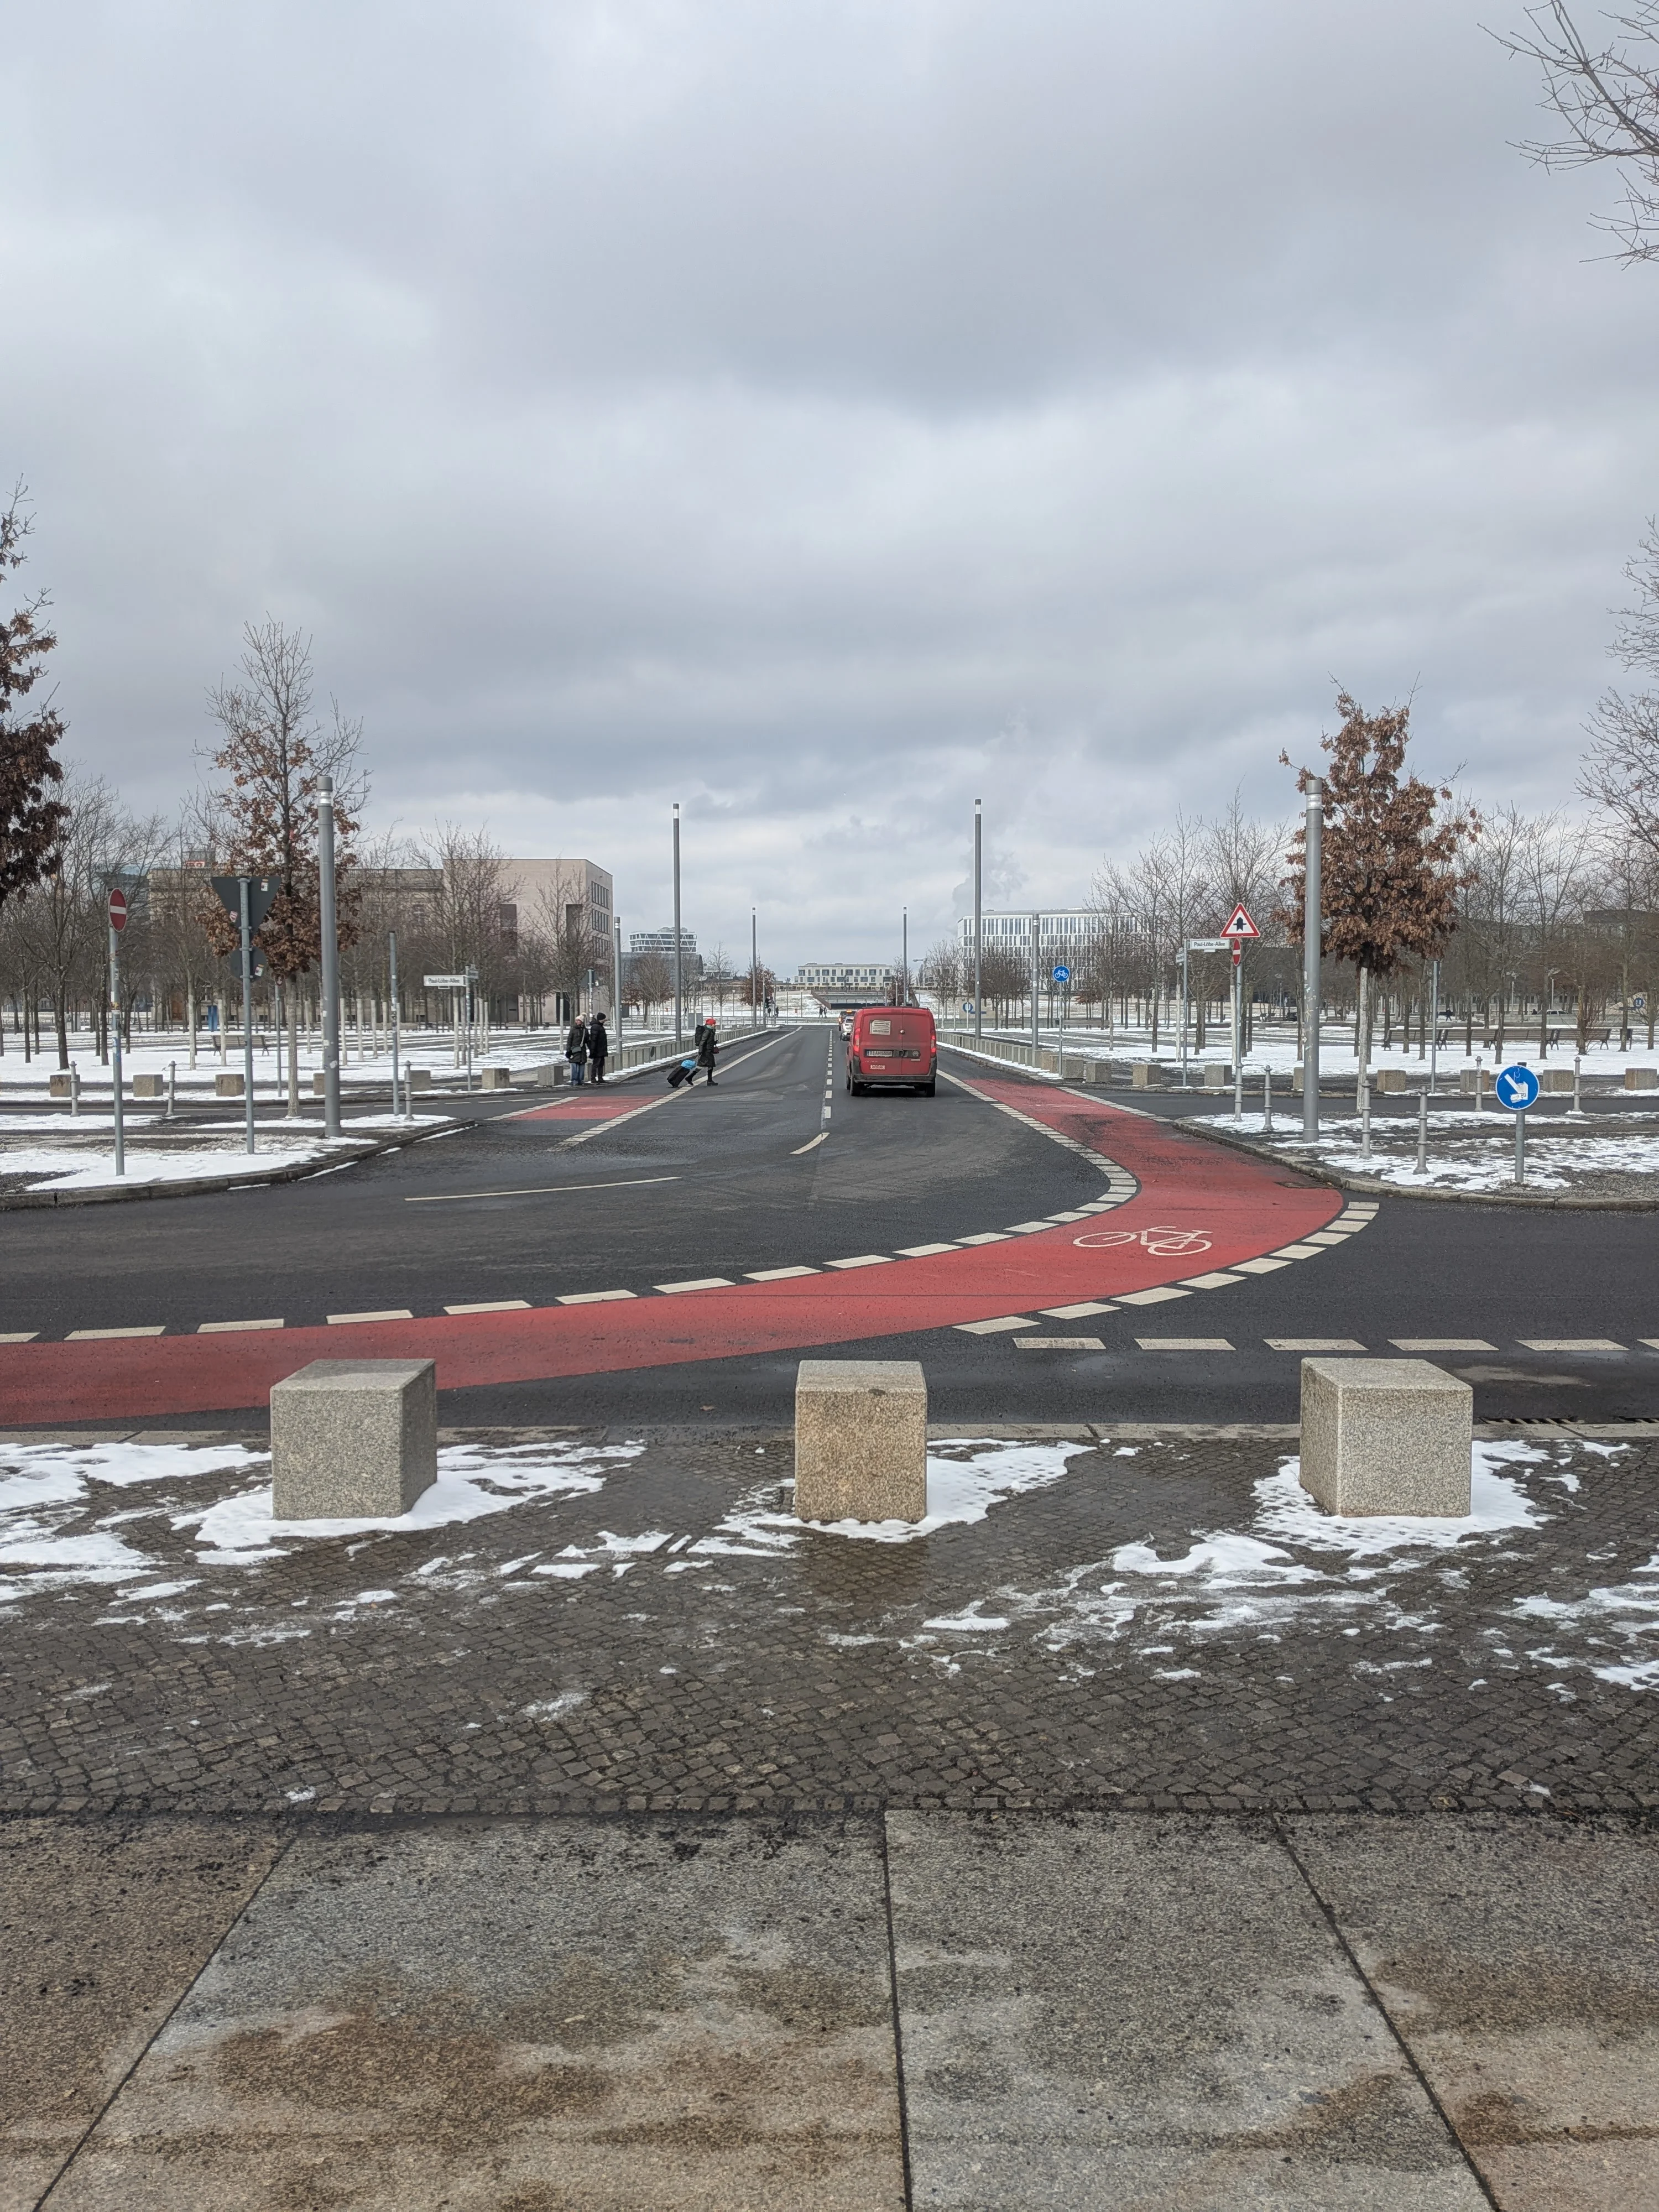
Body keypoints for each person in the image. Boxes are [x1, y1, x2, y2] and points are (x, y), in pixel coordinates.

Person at [565, 1012, 589, 1087]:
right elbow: (569, 1040)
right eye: (576, 1021)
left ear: (582, 1022)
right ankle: (574, 1080)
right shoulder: (573, 1030)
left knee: (582, 1066)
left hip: (582, 1051)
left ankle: (581, 1080)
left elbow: (588, 1041)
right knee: (574, 1066)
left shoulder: (585, 1030)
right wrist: (568, 1051)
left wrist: (592, 1049)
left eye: (579, 1021)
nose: (577, 1022)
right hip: (574, 1051)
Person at [695, 1014, 718, 1086]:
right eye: (714, 1024)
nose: (715, 1025)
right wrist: (700, 1051)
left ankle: (690, 1078)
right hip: (706, 1051)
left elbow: (708, 1041)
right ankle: (709, 1081)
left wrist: (714, 1043)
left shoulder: (710, 1031)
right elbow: (703, 1042)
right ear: (711, 1024)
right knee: (710, 1065)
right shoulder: (708, 1032)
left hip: (708, 1050)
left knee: (703, 1065)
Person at [587, 1011, 609, 1084]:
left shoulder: (599, 1026)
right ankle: (593, 1078)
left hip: (601, 1049)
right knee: (596, 1064)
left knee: (601, 1064)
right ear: (601, 1019)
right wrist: (593, 1050)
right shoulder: (596, 1027)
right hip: (598, 1050)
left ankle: (600, 1078)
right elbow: (594, 1040)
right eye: (604, 1019)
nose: (604, 1020)